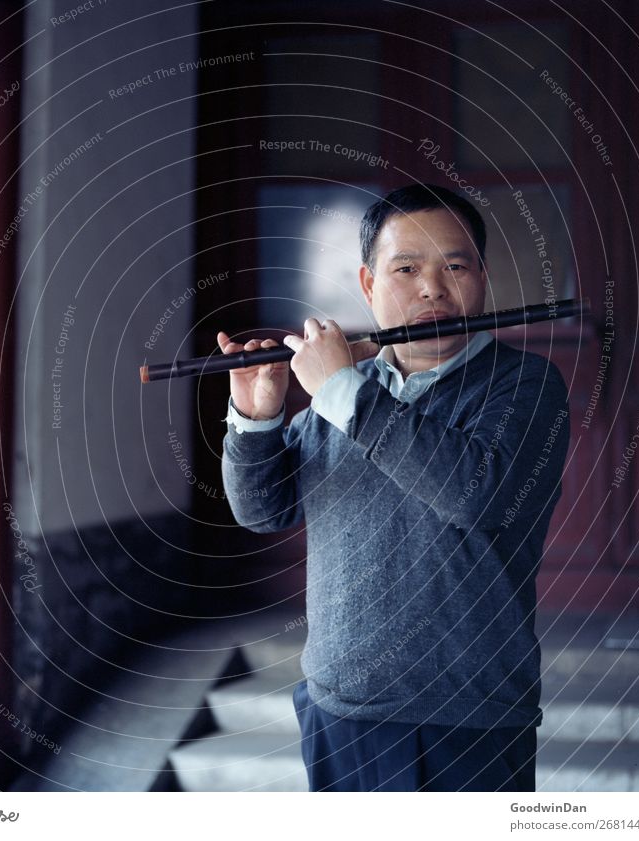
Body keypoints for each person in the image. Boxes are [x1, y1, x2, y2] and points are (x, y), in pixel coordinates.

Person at [217, 183, 570, 792]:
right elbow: (262, 511)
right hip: (340, 704)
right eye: (406, 268)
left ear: (481, 277)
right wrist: (257, 417)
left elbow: (474, 494)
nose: (432, 287)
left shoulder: (527, 384)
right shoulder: (344, 393)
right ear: (368, 284)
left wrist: (340, 392)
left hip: (468, 711)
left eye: (454, 266)